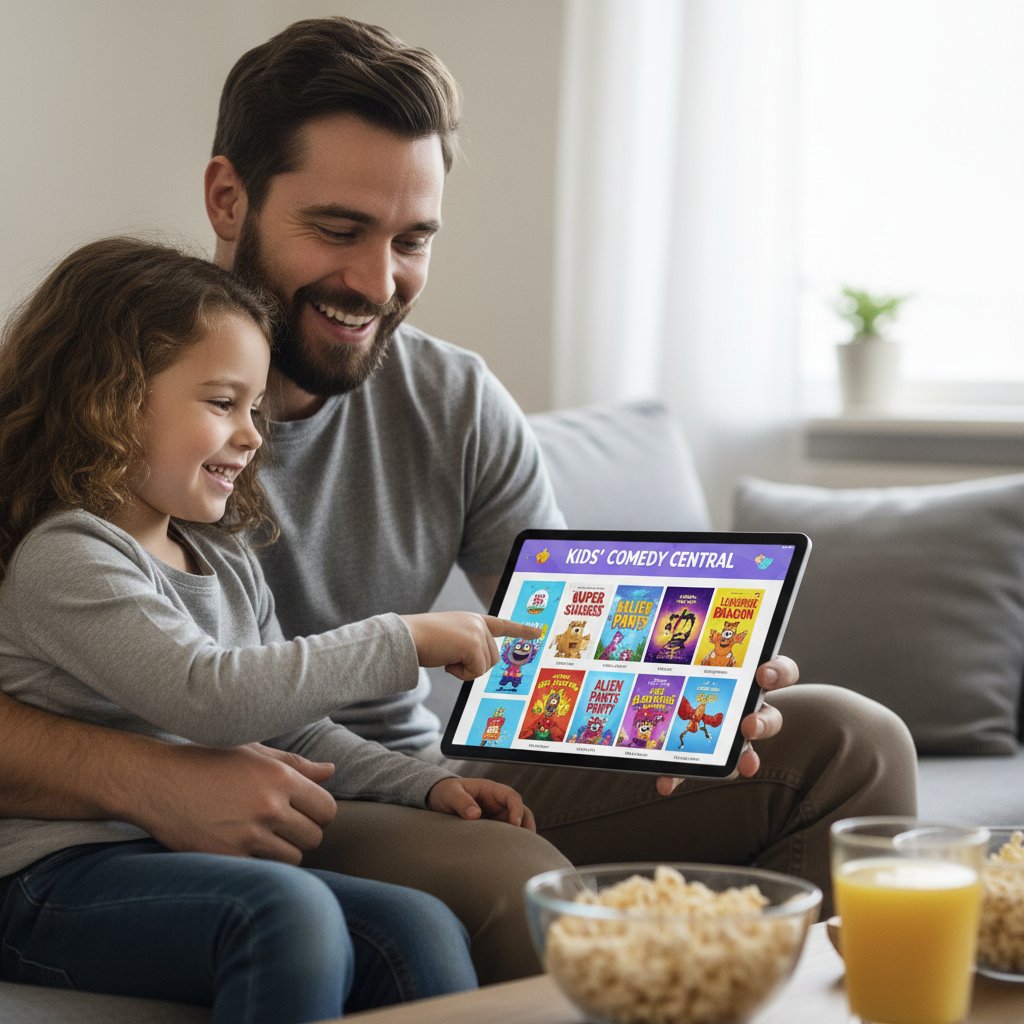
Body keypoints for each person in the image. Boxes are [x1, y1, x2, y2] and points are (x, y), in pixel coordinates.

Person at [0, 16, 918, 986]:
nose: (374, 281)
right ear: (229, 197)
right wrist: (152, 777)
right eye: (338, 229)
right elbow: (194, 689)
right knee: (513, 875)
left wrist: (679, 697)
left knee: (850, 742)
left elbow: (551, 649)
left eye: (412, 239)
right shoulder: (77, 418)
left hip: (403, 771)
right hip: (278, 794)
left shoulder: (453, 398)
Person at [0, 236, 542, 1020]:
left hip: (173, 859)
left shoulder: (220, 559)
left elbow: (293, 729)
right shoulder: (68, 557)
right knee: (288, 914)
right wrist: (405, 639)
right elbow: (210, 698)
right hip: (52, 879)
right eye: (223, 404)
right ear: (108, 399)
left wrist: (427, 784)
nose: (254, 435)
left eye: (254, 408)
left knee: (418, 927)